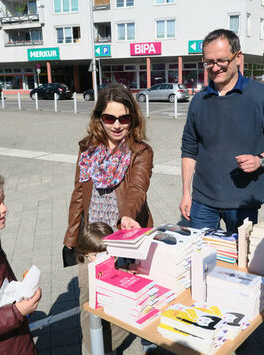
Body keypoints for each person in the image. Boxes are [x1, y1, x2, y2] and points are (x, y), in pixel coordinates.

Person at [63, 83, 153, 354]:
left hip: (123, 238)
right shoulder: (87, 149)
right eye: (109, 118)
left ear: (132, 119)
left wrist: (127, 216)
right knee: (88, 302)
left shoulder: (140, 151)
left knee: (123, 300)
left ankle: (109, 340)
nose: (116, 125)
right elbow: (79, 194)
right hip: (91, 240)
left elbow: (137, 187)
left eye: (124, 118)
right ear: (99, 118)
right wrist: (70, 239)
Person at [180, 29, 264, 233]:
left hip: (243, 202)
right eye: (209, 62)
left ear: (238, 57)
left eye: (221, 60)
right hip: (202, 201)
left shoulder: (260, 95)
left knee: (240, 262)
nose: (215, 68)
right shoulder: (198, 100)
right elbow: (189, 150)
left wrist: (261, 159)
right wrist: (186, 193)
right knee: (199, 259)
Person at [0, 164, 41, 355]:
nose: (5, 208)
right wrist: (17, 311)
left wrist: (19, 290)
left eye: (3, 201)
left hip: (16, 342)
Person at [75, 222, 130, 354]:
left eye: (107, 253)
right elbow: (107, 284)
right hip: (96, 330)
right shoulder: (87, 272)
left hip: (105, 325)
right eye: (96, 255)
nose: (103, 259)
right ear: (85, 252)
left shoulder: (95, 260)